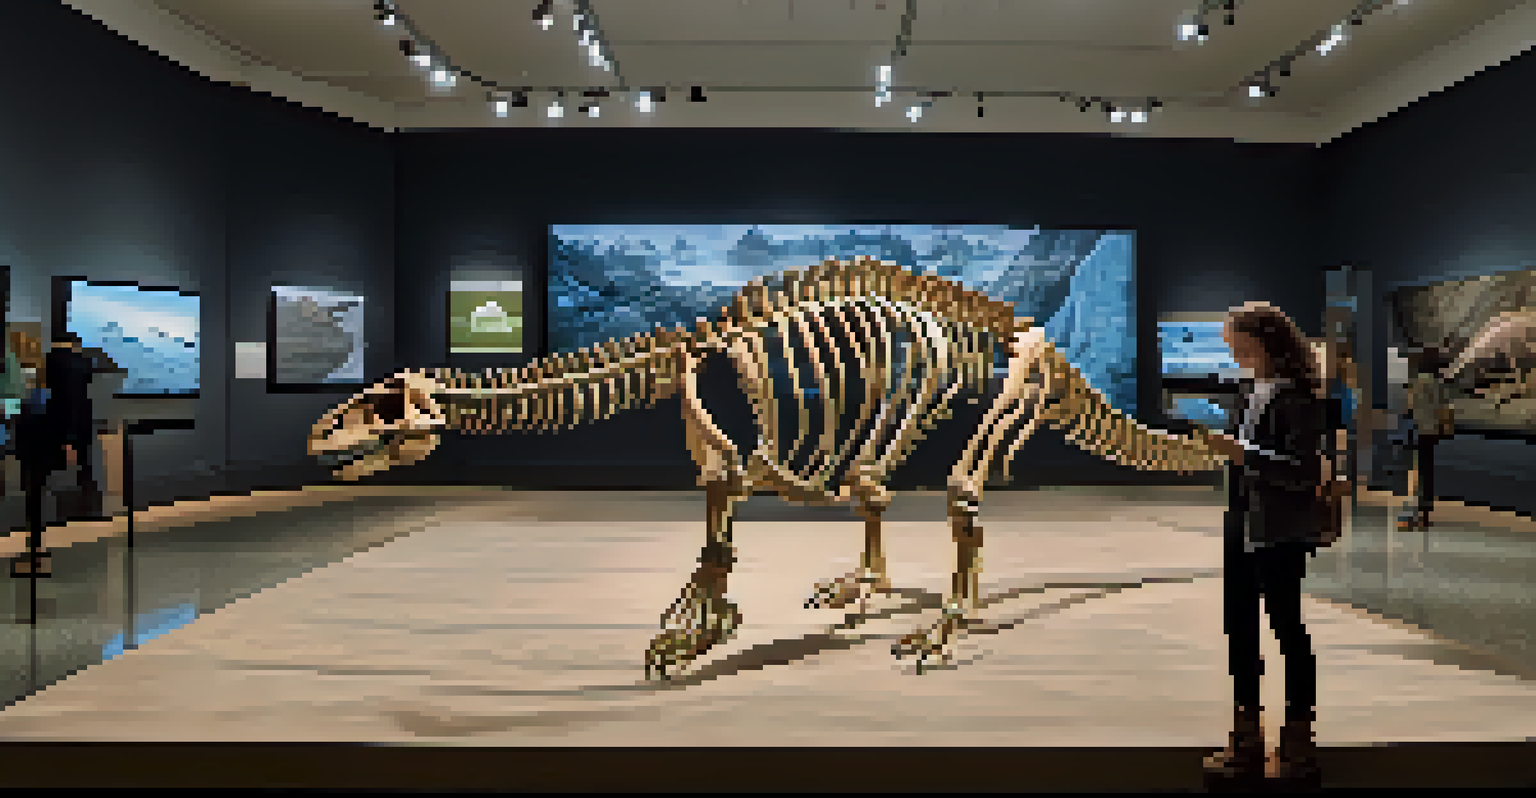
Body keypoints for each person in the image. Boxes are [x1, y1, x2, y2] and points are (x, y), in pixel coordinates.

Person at [1199, 301, 1335, 791]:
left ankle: (1299, 734)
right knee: (1239, 627)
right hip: (1241, 523)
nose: (1233, 351)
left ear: (1266, 341)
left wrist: (1242, 454)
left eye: (1240, 343)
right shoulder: (1246, 391)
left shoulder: (1300, 398)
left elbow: (1301, 471)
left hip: (1280, 529)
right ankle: (1247, 735)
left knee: (1286, 625)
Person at [43, 331, 103, 520]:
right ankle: (88, 507)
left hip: (58, 419)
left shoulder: (51, 361)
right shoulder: (85, 362)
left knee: (54, 468)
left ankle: (54, 512)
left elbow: (51, 391)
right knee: (85, 464)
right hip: (83, 418)